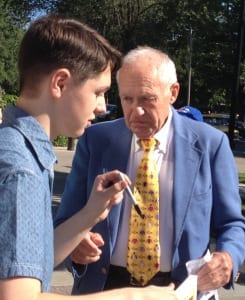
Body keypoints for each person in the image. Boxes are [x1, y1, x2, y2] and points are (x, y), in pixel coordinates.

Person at [0, 17, 177, 300]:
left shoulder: (13, 146)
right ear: (59, 83)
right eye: (98, 92)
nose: (101, 107)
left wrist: (92, 211)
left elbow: (31, 258)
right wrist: (137, 297)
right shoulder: (22, 170)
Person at [54, 46, 245, 295]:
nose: (136, 111)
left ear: (173, 93)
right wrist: (76, 245)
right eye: (127, 99)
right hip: (104, 287)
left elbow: (233, 223)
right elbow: (65, 219)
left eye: (147, 98)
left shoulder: (209, 144)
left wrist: (228, 258)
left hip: (180, 289)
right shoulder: (95, 140)